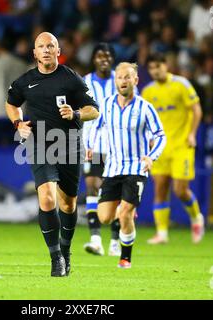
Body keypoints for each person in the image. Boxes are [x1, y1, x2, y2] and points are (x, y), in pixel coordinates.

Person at [5, 32, 99, 277]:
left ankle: (66, 252)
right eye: (41, 46)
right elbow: (11, 102)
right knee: (47, 198)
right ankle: (56, 257)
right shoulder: (25, 81)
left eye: (51, 46)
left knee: (68, 204)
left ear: (58, 51)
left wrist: (77, 114)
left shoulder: (71, 79)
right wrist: (18, 124)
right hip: (40, 143)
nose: (46, 50)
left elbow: (94, 110)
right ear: (34, 52)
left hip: (69, 144)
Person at [91, 62, 166, 269]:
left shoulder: (145, 108)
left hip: (136, 168)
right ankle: (127, 208)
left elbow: (160, 135)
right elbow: (96, 127)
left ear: (135, 80)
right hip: (112, 168)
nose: (123, 81)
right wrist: (90, 146)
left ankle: (125, 258)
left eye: (127, 77)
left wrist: (152, 156)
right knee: (105, 217)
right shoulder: (106, 104)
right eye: (119, 78)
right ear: (115, 81)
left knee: (123, 214)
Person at [141, 53, 205, 245]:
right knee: (160, 188)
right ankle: (162, 233)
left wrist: (192, 133)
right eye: (151, 68)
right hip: (160, 147)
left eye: (158, 66)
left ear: (166, 65)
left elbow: (196, 110)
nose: (155, 70)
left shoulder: (181, 84)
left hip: (181, 145)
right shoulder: (147, 91)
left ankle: (196, 217)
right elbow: (145, 120)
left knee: (180, 190)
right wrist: (149, 140)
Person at [82, 43, 121, 257]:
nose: (103, 59)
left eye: (107, 55)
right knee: (91, 187)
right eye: (99, 55)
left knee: (116, 192)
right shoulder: (84, 82)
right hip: (92, 144)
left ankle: (115, 241)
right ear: (94, 59)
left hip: (118, 145)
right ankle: (96, 239)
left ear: (112, 59)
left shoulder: (122, 79)